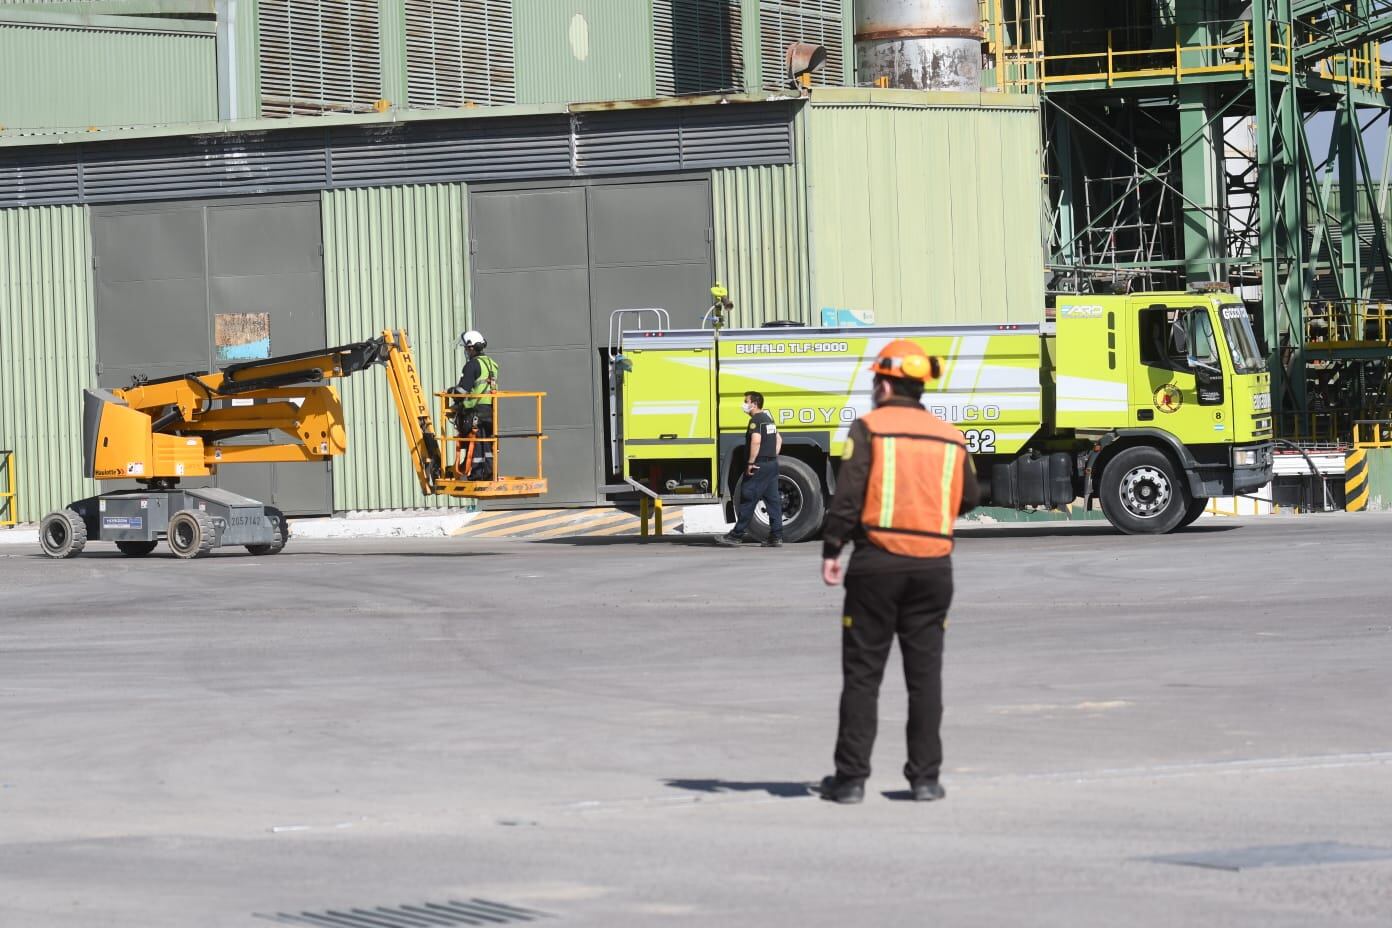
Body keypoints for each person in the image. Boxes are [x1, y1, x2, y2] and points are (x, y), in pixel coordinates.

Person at [817, 339, 980, 805]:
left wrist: (832, 548)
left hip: (877, 565)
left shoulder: (870, 428)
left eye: (874, 381)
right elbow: (969, 496)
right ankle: (925, 779)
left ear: (886, 384)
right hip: (933, 568)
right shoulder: (951, 436)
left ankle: (850, 781)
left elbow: (847, 496)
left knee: (864, 676)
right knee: (925, 678)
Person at [716, 391, 784, 548]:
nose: (744, 404)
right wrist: (772, 456)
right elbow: (779, 439)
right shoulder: (768, 419)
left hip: (759, 465)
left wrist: (751, 463)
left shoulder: (756, 420)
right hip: (771, 465)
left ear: (754, 403)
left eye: (746, 401)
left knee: (748, 497)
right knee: (773, 501)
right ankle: (776, 536)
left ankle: (736, 535)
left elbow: (756, 442)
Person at [451, 329, 498, 481]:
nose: (466, 351)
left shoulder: (472, 365)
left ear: (471, 348)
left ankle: (477, 474)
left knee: (475, 441)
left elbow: (463, 390)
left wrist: (452, 393)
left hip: (475, 410)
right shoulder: (492, 364)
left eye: (466, 348)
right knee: (487, 442)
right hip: (491, 410)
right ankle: (490, 472)